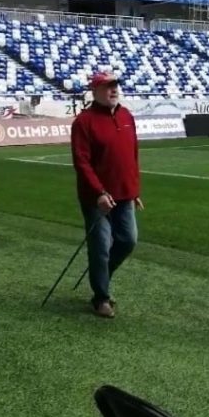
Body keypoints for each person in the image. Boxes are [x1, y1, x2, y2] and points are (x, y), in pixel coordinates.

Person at [71, 72, 144, 319]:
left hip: (124, 194)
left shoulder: (126, 116)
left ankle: (101, 275)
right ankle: (101, 296)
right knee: (100, 247)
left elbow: (132, 155)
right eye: (107, 86)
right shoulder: (84, 121)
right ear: (95, 91)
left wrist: (134, 190)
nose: (113, 90)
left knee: (128, 240)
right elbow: (81, 162)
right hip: (96, 198)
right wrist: (99, 192)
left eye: (115, 86)